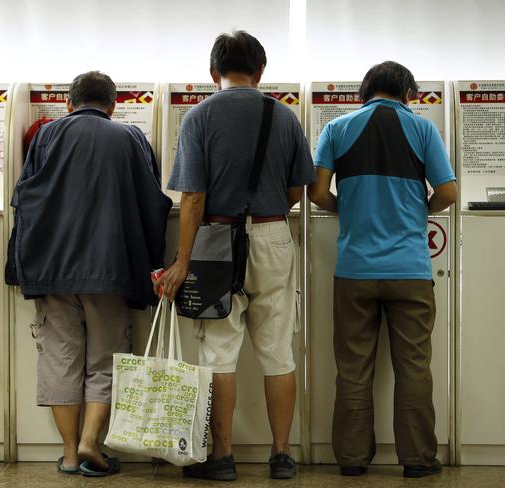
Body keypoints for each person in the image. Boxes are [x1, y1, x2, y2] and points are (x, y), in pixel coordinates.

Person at [155, 31, 315, 481]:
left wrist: (183, 260)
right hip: (272, 235)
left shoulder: (199, 117)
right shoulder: (284, 117)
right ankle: (281, 455)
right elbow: (296, 190)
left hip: (216, 241)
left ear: (212, 73)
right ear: (261, 71)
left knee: (219, 352)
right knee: (278, 350)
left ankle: (221, 457)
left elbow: (192, 198)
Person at [6, 71, 172, 477]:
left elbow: (25, 199)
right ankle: (89, 443)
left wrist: (22, 264)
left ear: (69, 103)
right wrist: (149, 263)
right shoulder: (131, 138)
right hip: (110, 269)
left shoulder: (46, 137)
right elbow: (154, 203)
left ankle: (67, 452)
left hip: (54, 269)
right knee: (107, 359)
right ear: (113, 106)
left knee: (61, 359)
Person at [308, 61, 457, 478]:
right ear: (407, 92)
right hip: (409, 269)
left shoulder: (336, 129)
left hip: (354, 270)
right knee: (414, 366)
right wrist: (418, 212)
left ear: (365, 90)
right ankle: (417, 460)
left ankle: (352, 461)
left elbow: (317, 192)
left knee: (353, 368)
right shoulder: (423, 129)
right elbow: (448, 190)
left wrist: (348, 210)